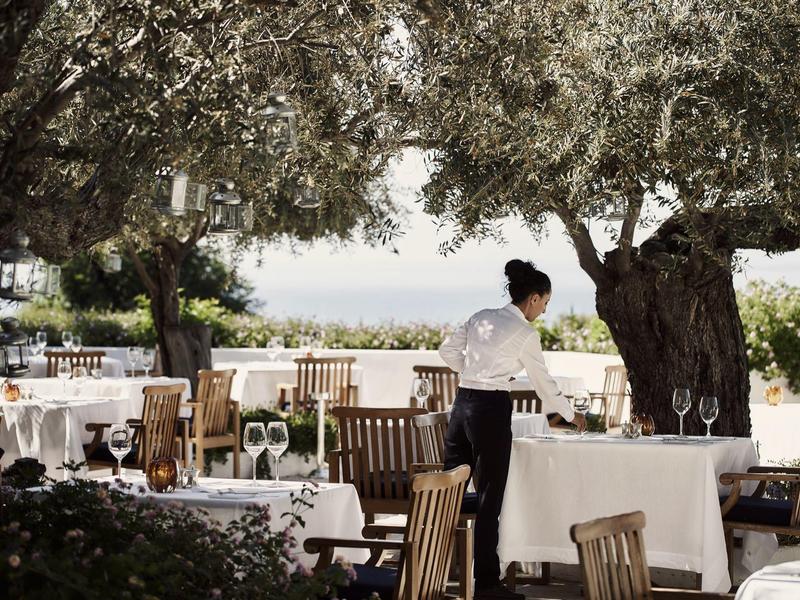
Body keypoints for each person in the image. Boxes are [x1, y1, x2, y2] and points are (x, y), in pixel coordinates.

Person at [439, 259, 586, 600]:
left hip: (460, 406)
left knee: (448, 494)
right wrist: (570, 415)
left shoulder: (480, 317)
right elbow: (544, 385)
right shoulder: (525, 334)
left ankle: (432, 571)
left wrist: (474, 375)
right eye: (546, 304)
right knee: (490, 499)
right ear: (533, 298)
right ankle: (487, 585)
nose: (544, 312)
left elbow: (446, 350)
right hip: (490, 411)